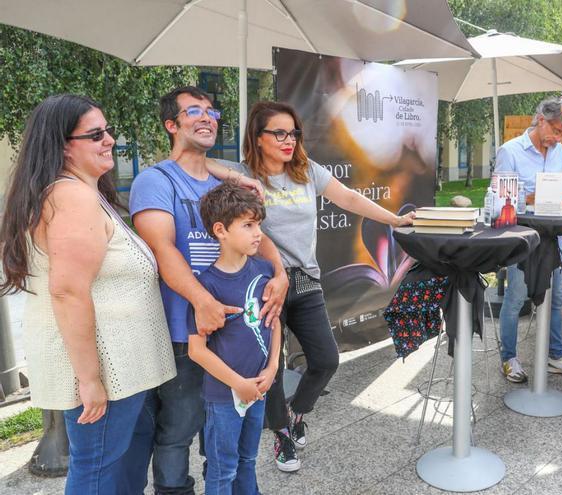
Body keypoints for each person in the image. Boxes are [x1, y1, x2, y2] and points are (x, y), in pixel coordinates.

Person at [0, 94, 176, 493]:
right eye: (95, 134)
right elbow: (67, 292)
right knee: (97, 472)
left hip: (122, 369)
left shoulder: (82, 192)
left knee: (120, 465)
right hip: (105, 372)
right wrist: (90, 379)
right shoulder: (70, 197)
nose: (109, 139)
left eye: (107, 130)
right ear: (63, 145)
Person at [232, 101, 415, 471]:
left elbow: (348, 197)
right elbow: (201, 166)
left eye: (293, 132)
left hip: (305, 280)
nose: (288, 140)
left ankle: (297, 413)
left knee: (326, 360)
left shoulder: (305, 171)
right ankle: (282, 434)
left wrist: (394, 219)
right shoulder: (242, 175)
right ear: (258, 136)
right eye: (278, 133)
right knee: (271, 365)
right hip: (264, 284)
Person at [130, 86, 287, 493]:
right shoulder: (154, 180)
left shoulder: (226, 181)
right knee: (178, 429)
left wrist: (281, 274)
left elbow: (259, 234)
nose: (207, 117)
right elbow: (161, 250)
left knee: (228, 434)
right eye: (194, 111)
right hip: (188, 331)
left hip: (236, 332)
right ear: (171, 124)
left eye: (212, 112)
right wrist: (202, 300)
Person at [188, 182, 281, 495]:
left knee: (249, 459)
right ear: (221, 230)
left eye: (259, 224)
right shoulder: (207, 286)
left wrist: (272, 369)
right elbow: (197, 350)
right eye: (248, 225)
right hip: (224, 397)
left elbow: (274, 322)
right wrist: (237, 383)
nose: (258, 233)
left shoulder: (265, 270)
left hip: (259, 386)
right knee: (222, 470)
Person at [494, 97, 562, 383]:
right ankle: (509, 357)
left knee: (556, 298)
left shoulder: (556, 151)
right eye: (556, 130)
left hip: (553, 236)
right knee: (516, 298)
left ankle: (555, 355)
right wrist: (529, 197)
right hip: (523, 238)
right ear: (540, 119)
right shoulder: (510, 151)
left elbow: (557, 189)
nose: (558, 139)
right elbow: (500, 201)